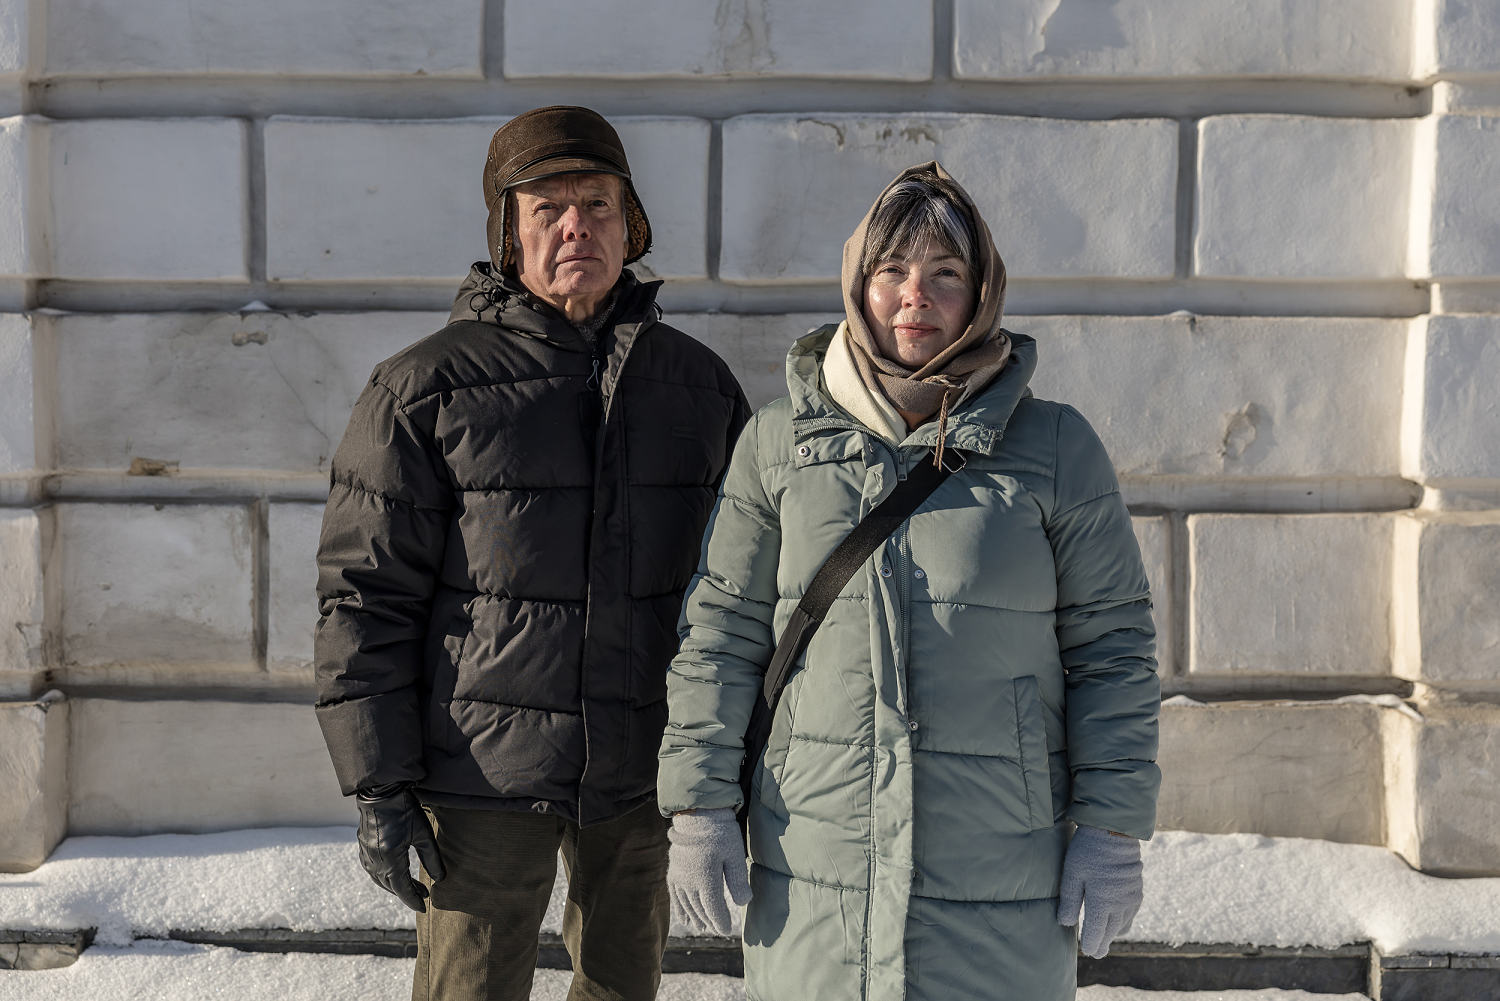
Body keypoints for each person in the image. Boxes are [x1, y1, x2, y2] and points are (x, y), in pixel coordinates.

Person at [657, 162, 1160, 1001]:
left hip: (998, 865)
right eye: (891, 271)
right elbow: (720, 634)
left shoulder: (1058, 449)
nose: (914, 296)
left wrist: (1111, 826)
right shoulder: (779, 445)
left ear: (982, 292)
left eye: (944, 275)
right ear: (860, 285)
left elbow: (1113, 652)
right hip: (815, 854)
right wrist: (700, 805)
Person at [314, 105, 750, 1001]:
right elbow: (364, 597)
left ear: (632, 226)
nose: (575, 226)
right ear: (507, 235)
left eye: (596, 203)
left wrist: (731, 765)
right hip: (481, 775)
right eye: (546, 208)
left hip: (642, 769)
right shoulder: (421, 389)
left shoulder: (698, 387)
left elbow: (745, 591)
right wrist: (379, 784)